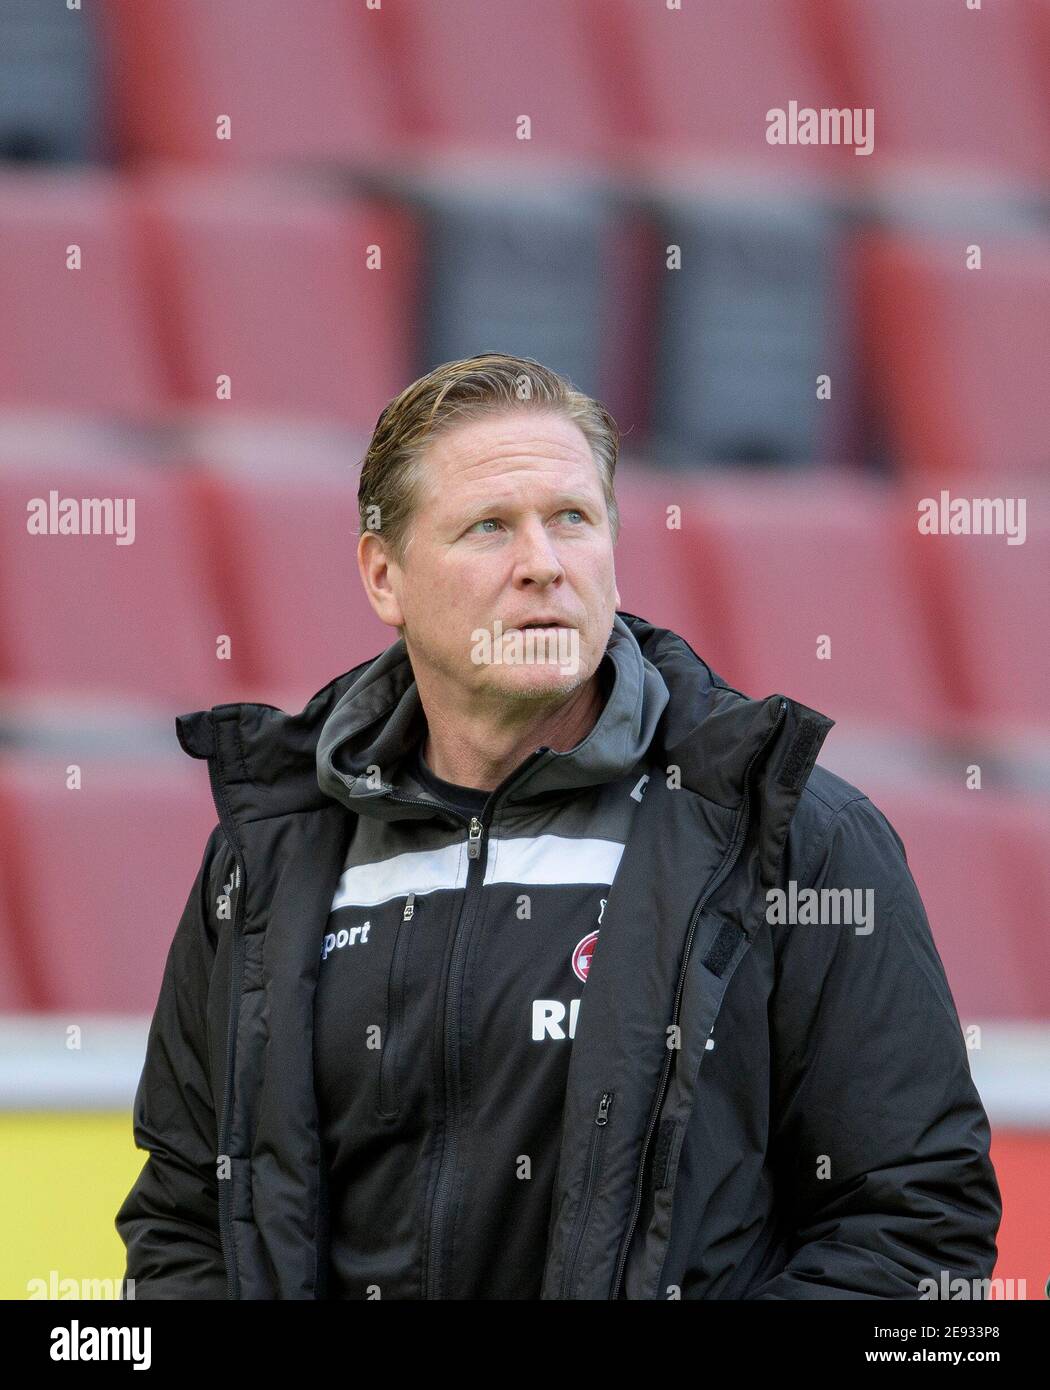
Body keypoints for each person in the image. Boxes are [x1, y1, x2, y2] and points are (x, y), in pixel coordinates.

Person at [115, 352, 1001, 1299]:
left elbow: (915, 1230)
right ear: (385, 576)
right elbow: (186, 1220)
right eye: (490, 528)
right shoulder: (267, 859)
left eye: (572, 519)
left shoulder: (790, 837)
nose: (543, 564)